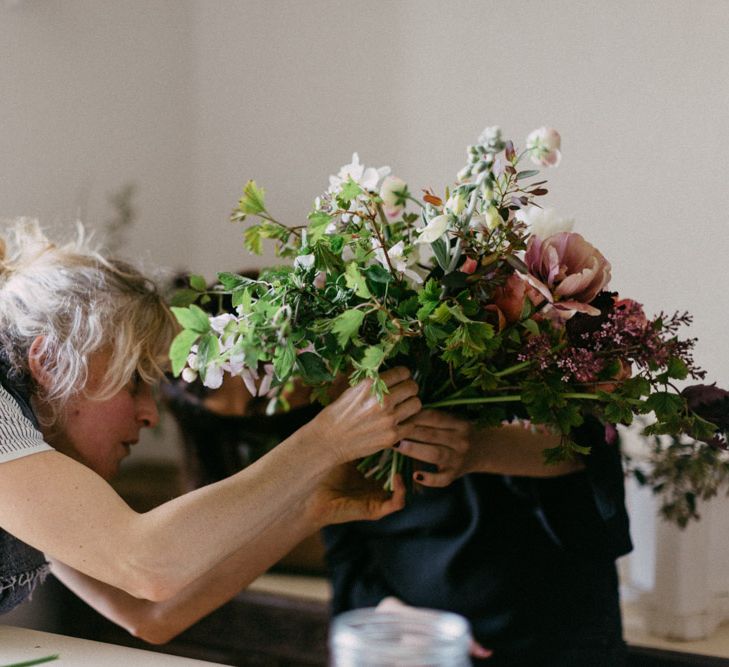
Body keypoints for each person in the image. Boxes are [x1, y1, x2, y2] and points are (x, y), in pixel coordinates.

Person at [0, 219, 424, 644]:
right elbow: (146, 566)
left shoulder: (36, 458)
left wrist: (308, 508)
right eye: (134, 382)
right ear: (50, 361)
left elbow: (149, 615)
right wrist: (326, 440)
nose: (150, 416)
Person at [323, 409, 633, 666]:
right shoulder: (335, 387)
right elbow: (338, 528)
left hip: (556, 635)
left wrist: (480, 446)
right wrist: (384, 610)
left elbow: (588, 445)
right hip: (408, 647)